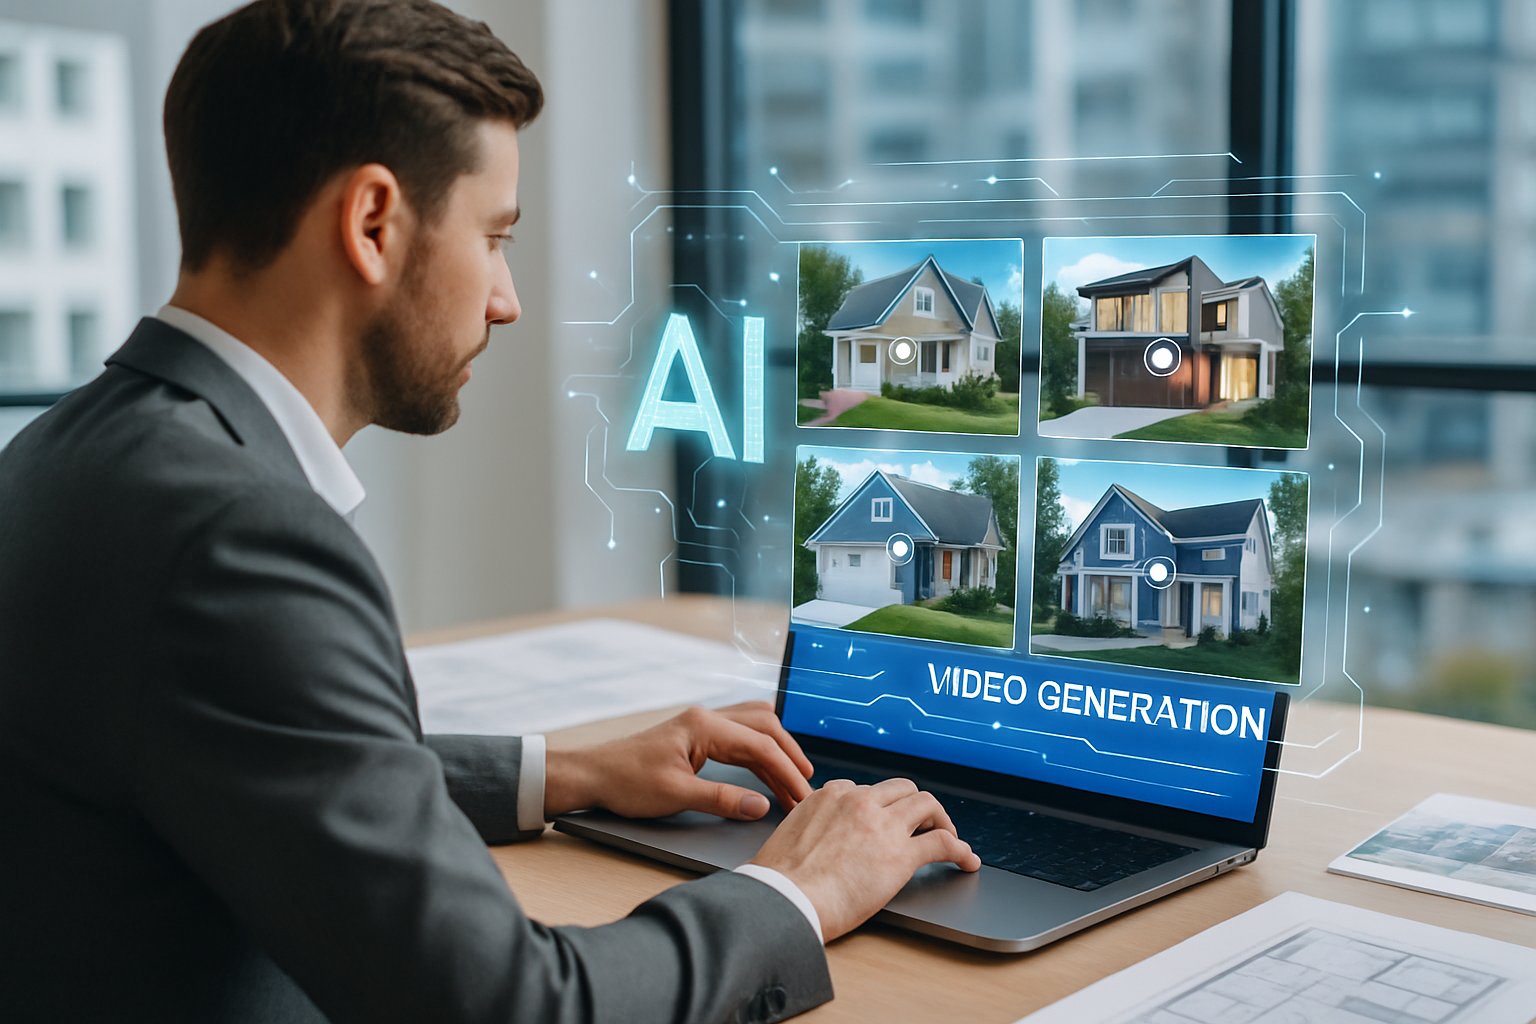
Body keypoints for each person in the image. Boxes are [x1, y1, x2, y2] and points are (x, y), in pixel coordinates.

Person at [0, 1, 979, 1021]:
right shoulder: (239, 540)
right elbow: (510, 1006)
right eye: (494, 237)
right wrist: (800, 890)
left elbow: (257, 748)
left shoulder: (70, 452)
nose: (506, 299)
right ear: (372, 223)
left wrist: (565, 770)